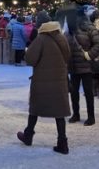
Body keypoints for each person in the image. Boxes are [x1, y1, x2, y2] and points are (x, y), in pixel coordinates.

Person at [16, 19, 71, 155]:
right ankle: (62, 143)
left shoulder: (41, 38)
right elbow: (68, 56)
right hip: (59, 79)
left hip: (42, 79)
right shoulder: (62, 37)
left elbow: (30, 59)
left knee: (35, 108)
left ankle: (28, 136)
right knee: (60, 112)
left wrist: (27, 51)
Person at [67, 6, 99, 126]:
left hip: (86, 65)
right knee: (74, 92)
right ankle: (76, 114)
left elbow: (98, 44)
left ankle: (90, 117)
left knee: (87, 92)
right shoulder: (71, 30)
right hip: (73, 65)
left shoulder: (90, 28)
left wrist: (89, 55)